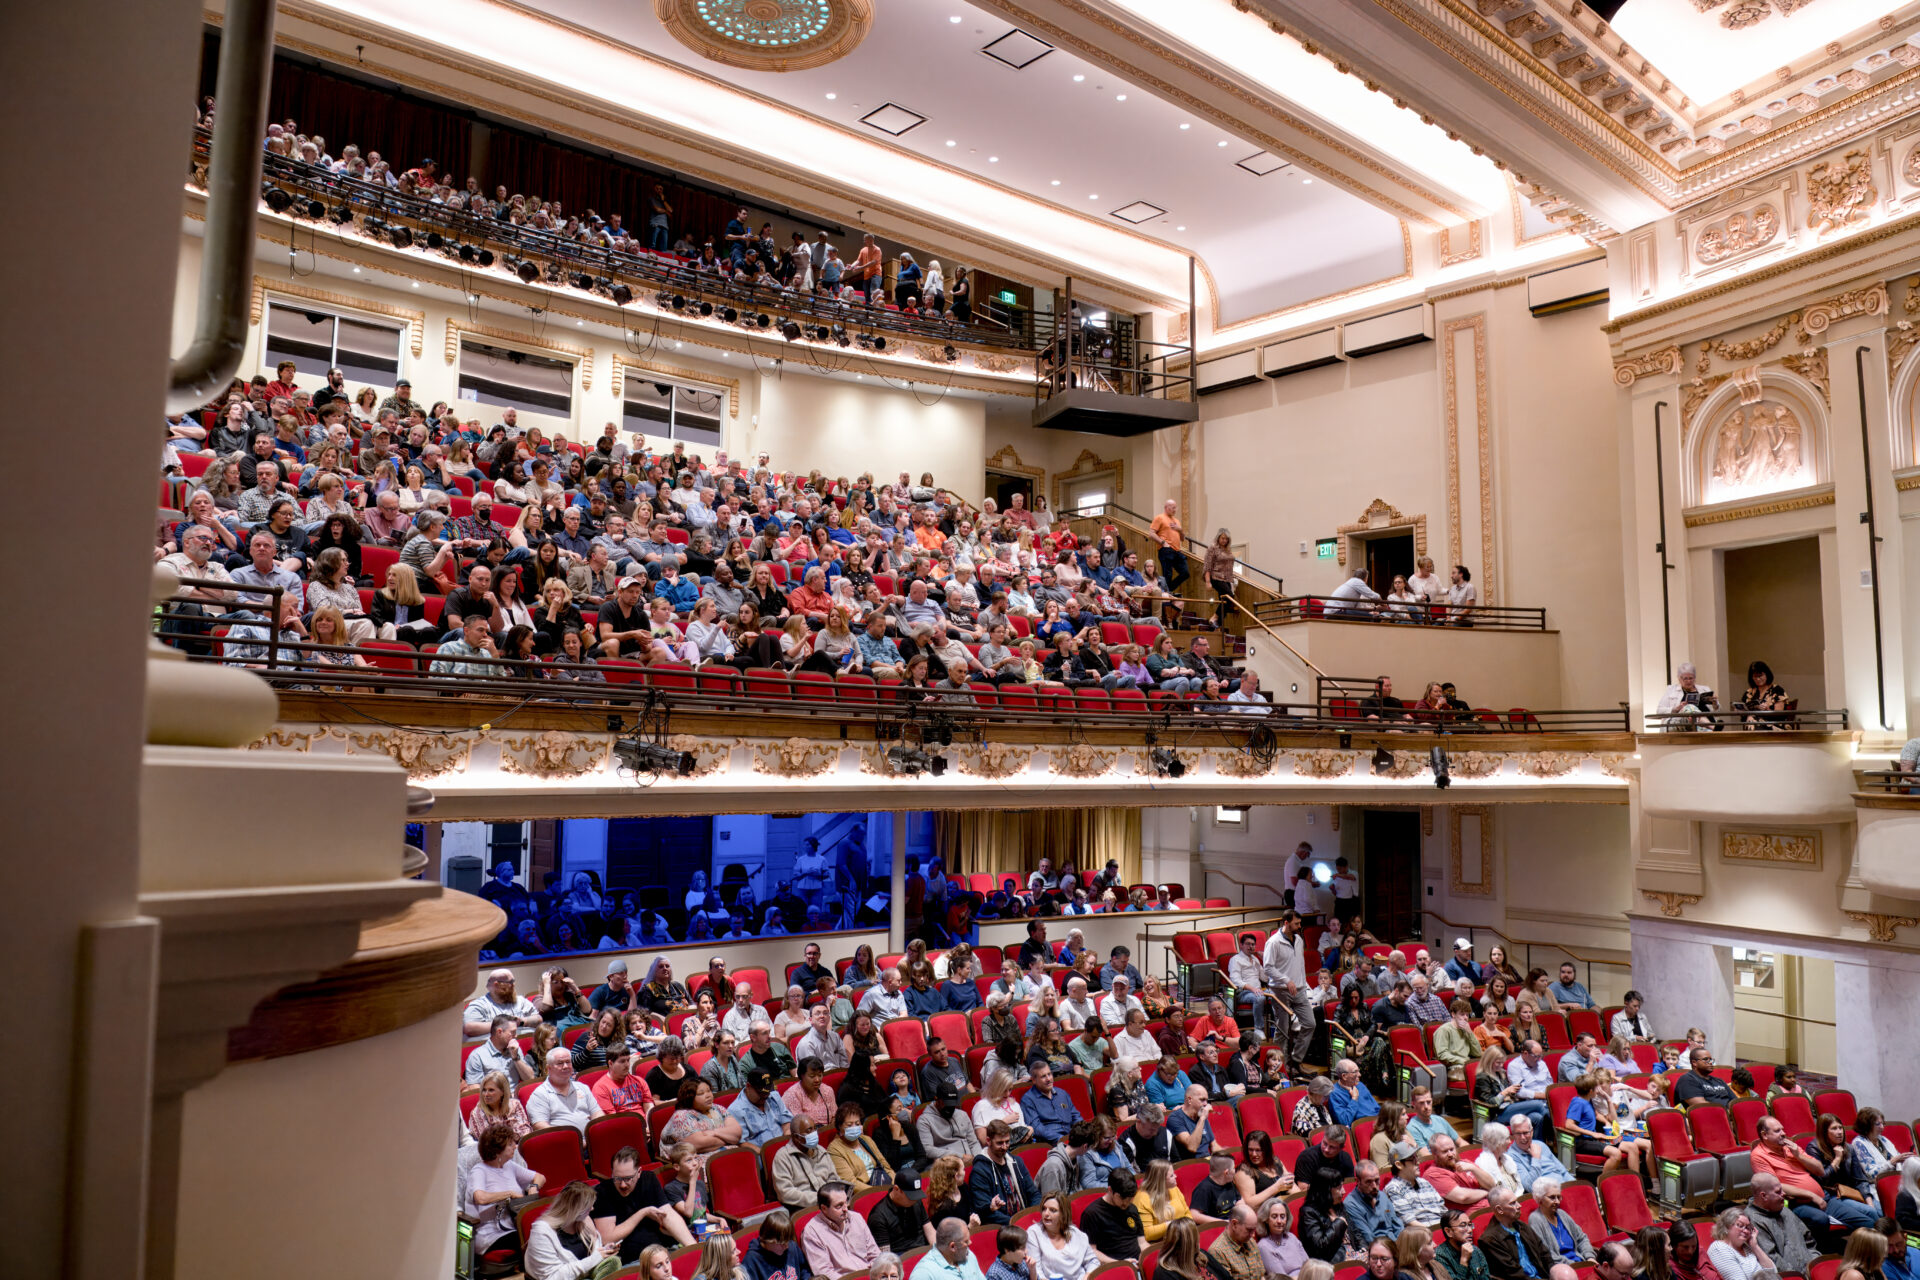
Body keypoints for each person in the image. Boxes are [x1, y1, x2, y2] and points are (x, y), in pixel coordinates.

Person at [593, 1146, 693, 1263]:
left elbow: (668, 1215)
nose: (623, 1185)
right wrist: (643, 1213)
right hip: (632, 1260)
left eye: (628, 1178)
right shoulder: (603, 1192)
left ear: (639, 1172)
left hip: (661, 1251)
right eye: (618, 1178)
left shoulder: (648, 1179)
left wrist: (692, 1248)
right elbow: (608, 1238)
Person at [466, 1126, 546, 1258]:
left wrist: (533, 1187)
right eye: (510, 1144)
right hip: (491, 1234)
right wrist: (509, 1194)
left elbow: (540, 1177)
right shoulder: (479, 1170)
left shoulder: (509, 1166)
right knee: (536, 1236)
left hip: (513, 1226)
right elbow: (480, 1197)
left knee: (546, 1230)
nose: (515, 1146)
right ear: (497, 1151)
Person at [524, 1180, 617, 1278]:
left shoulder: (583, 1222)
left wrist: (604, 1251)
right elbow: (552, 1277)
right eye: (589, 1206)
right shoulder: (542, 1232)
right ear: (577, 1210)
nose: (592, 1208)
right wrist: (594, 1259)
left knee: (615, 1263)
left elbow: (595, 1252)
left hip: (586, 1276)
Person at [1479, 1188, 1575, 1280]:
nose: (1519, 1205)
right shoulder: (1489, 1240)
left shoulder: (1521, 1226)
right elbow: (1514, 1274)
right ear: (1499, 1209)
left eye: (1517, 1201)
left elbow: (1544, 1254)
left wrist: (1554, 1273)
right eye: (1513, 1203)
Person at [802, 1183, 882, 1280]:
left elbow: (875, 1254)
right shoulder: (812, 1231)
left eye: (846, 1201)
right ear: (824, 1208)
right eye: (839, 1206)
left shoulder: (856, 1218)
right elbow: (824, 1274)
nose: (846, 1208)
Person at [1741, 1175, 1816, 1276]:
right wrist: (1800, 1277)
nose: (1784, 1194)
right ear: (1764, 1196)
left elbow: (1809, 1241)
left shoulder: (1784, 1210)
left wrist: (1815, 1266)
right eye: (1778, 1192)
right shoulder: (1752, 1220)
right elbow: (1772, 1259)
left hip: (1811, 1271)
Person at [969, 1118, 1039, 1224]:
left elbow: (1034, 1194)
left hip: (1025, 1220)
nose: (1005, 1147)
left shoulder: (1017, 1162)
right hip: (1003, 1228)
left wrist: (1034, 1215)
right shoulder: (979, 1171)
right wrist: (1016, 1223)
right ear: (988, 1141)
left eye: (1007, 1142)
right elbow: (985, 1212)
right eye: (999, 1143)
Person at [1081, 1167, 1148, 1262]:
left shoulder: (1131, 1208)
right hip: (1113, 1265)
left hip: (1137, 1262)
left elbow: (1142, 1242)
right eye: (1123, 1200)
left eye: (1130, 1200)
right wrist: (1120, 1264)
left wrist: (1147, 1257)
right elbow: (1091, 1251)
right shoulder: (1092, 1213)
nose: (1127, 1204)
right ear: (1110, 1190)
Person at [528, 1047, 602, 1133]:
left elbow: (597, 1113)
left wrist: (596, 1132)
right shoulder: (540, 1094)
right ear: (549, 1068)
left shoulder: (582, 1087)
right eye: (560, 1063)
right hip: (561, 1143)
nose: (565, 1066)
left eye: (568, 1062)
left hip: (591, 1140)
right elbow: (540, 1125)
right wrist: (570, 1139)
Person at [1026, 1191, 1098, 1280]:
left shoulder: (1077, 1234)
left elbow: (1093, 1261)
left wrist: (1086, 1277)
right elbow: (1036, 1270)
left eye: (1053, 1210)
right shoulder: (1034, 1233)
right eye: (1044, 1209)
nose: (1046, 1214)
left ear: (1063, 1214)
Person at [1526, 1178, 1594, 1267]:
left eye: (1559, 1197)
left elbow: (1581, 1238)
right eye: (1552, 1197)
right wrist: (1576, 1265)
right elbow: (1547, 1255)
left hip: (1581, 1262)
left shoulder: (1562, 1214)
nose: (1557, 1202)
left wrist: (1590, 1257)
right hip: (1561, 1268)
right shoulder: (1535, 1219)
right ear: (1540, 1199)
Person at [1383, 1142, 1447, 1231]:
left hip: (1443, 1230)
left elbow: (1443, 1210)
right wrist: (1439, 1232)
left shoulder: (1424, 1182)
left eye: (1417, 1157)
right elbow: (1410, 1222)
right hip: (1421, 1235)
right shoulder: (1394, 1188)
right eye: (1412, 1159)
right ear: (1399, 1165)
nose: (1418, 1162)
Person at [1707, 1206, 1782, 1280]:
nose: (1746, 1231)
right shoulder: (1719, 1249)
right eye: (1740, 1225)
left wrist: (1755, 1246)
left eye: (1748, 1227)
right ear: (1727, 1226)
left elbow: (1773, 1272)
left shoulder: (1747, 1246)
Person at [1343, 1159, 1405, 1245]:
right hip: (1376, 1249)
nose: (1374, 1186)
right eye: (1368, 1182)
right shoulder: (1351, 1204)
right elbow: (1367, 1236)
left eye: (1377, 1180)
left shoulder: (1383, 1196)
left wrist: (1402, 1244)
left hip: (1394, 1243)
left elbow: (1397, 1224)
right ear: (1358, 1181)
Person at [868, 1174, 933, 1254]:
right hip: (901, 1257)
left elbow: (928, 1228)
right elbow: (885, 1257)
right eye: (911, 1196)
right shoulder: (878, 1216)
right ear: (897, 1189)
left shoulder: (915, 1200)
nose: (915, 1200)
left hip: (924, 1251)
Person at [743, 1210, 813, 1280]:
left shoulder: (791, 1246)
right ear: (768, 1240)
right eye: (782, 1244)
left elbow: (805, 1269)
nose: (787, 1246)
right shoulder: (751, 1260)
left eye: (788, 1241)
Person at [1257, 1197, 1310, 1279]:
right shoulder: (1264, 1246)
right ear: (1266, 1219)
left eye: (1282, 1216)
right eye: (1274, 1217)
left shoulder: (1291, 1237)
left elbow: (1308, 1265)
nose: (1279, 1221)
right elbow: (1282, 1279)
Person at [920, 1219, 989, 1280]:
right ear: (953, 1246)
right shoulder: (925, 1273)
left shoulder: (968, 1254)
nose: (970, 1243)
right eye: (966, 1241)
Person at [1434, 1210, 1489, 1280]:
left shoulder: (1475, 1250)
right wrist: (1464, 1261)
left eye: (1470, 1225)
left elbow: (1486, 1277)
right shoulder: (1439, 1256)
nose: (1470, 1230)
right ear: (1448, 1231)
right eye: (1463, 1225)